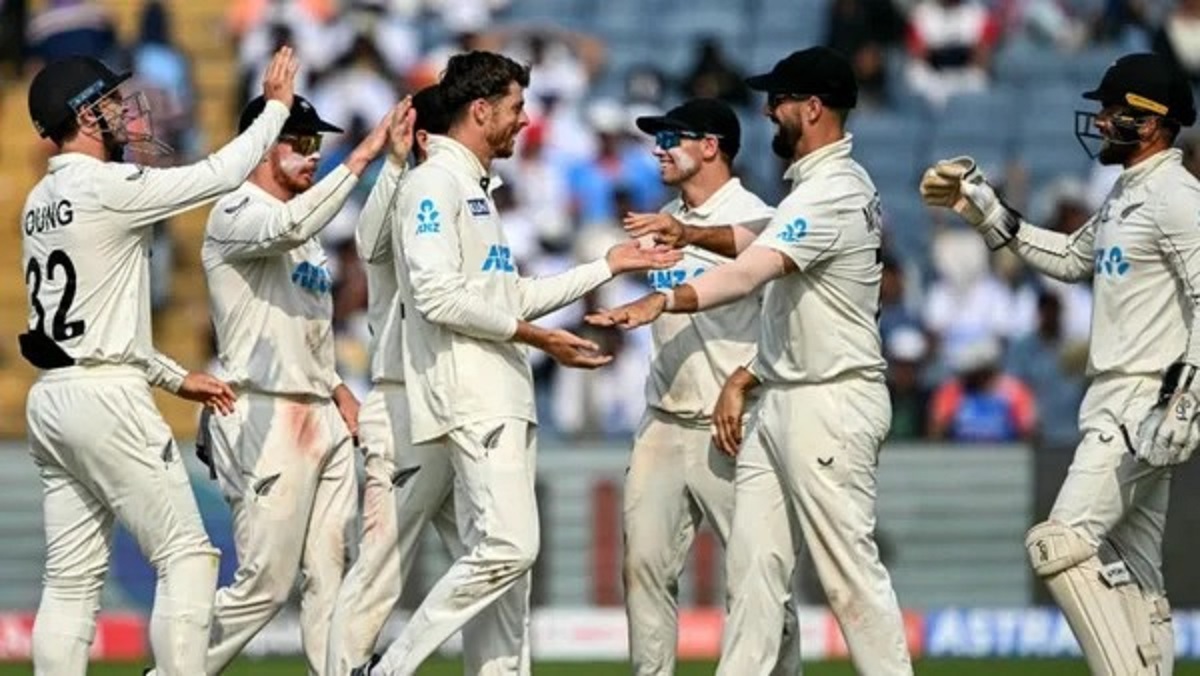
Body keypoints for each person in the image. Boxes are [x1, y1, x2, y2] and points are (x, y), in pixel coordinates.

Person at [353, 50, 681, 676]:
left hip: (501, 391)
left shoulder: (475, 189)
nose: (525, 120)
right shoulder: (433, 184)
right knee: (510, 546)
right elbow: (436, 296)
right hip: (471, 394)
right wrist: (539, 339)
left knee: (507, 581)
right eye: (515, 107)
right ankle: (387, 669)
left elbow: (510, 295)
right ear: (480, 111)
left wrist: (606, 266)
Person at [590, 46, 914, 675]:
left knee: (848, 577)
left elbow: (748, 271)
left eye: (779, 101)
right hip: (784, 401)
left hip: (830, 397)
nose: (768, 112)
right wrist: (690, 234)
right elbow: (759, 237)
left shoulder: (832, 191)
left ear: (812, 108)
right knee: (754, 575)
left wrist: (666, 300)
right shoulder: (813, 188)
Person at [920, 51, 1200, 675]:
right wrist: (988, 210)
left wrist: (1187, 398)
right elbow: (1074, 258)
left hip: (1145, 399)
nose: (1099, 121)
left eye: (1113, 111)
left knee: (1058, 544)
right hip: (1119, 396)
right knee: (1136, 578)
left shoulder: (1178, 197)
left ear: (1152, 123)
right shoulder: (1129, 191)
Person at [20, 48, 297, 675]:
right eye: (109, 102)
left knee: (69, 582)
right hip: (106, 395)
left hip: (55, 393)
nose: (124, 110)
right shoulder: (107, 186)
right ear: (84, 116)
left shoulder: (39, 200)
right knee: (188, 557)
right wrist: (276, 109)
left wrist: (173, 377)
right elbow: (219, 175)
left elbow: (93, 318)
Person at [153, 93, 403, 676]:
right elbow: (288, 226)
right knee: (265, 584)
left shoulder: (304, 229)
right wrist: (363, 155)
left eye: (319, 144)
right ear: (264, 146)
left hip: (319, 412)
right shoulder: (235, 211)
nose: (314, 154)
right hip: (261, 412)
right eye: (303, 142)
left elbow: (303, 325)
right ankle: (171, 670)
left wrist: (336, 387)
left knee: (330, 570)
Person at [327, 85, 531, 676]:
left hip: (453, 393)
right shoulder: (414, 191)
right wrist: (393, 161)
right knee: (380, 566)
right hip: (401, 398)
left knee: (498, 565)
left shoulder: (464, 193)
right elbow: (369, 242)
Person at [618, 97, 800, 676]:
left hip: (734, 428)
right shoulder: (662, 219)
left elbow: (790, 328)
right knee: (643, 568)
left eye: (671, 138)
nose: (658, 150)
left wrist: (744, 381)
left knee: (756, 580)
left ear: (710, 146)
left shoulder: (762, 219)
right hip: (663, 420)